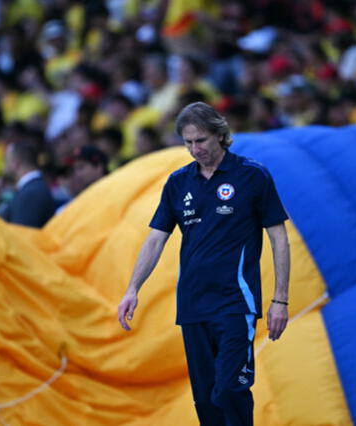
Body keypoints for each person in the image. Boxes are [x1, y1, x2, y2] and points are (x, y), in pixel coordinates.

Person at [117, 102, 290, 426]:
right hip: (194, 306)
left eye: (202, 141)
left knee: (229, 390)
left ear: (220, 135)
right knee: (206, 402)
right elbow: (156, 238)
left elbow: (279, 237)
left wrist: (280, 299)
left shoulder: (252, 175)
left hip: (235, 305)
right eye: (188, 143)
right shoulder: (178, 183)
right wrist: (133, 288)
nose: (196, 149)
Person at [0, 141, 56, 227]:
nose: (4, 166)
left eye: (6, 160)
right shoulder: (30, 190)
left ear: (15, 163)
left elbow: (20, 235)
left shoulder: (31, 193)